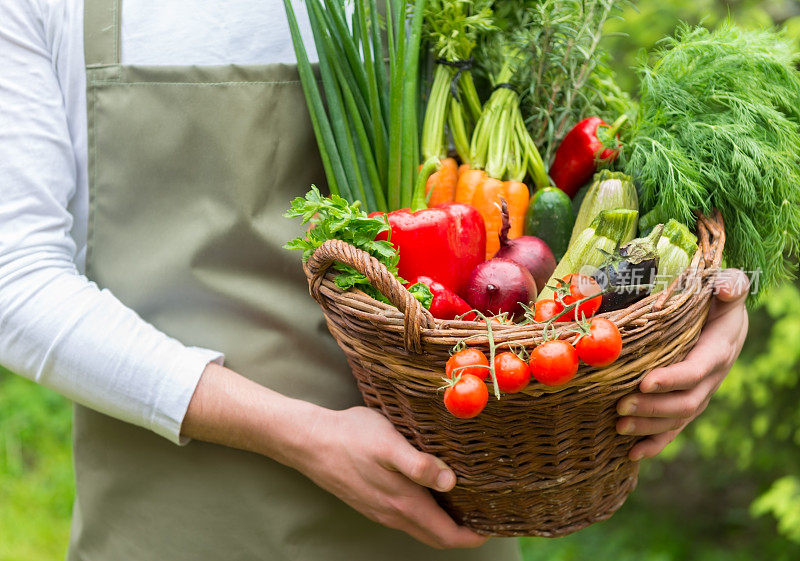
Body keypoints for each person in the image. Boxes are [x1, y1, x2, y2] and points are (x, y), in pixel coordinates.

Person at [0, 0, 750, 559]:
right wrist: (303, 435)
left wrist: (712, 310)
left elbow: (593, 174)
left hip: (446, 514)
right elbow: (16, 284)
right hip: (180, 524)